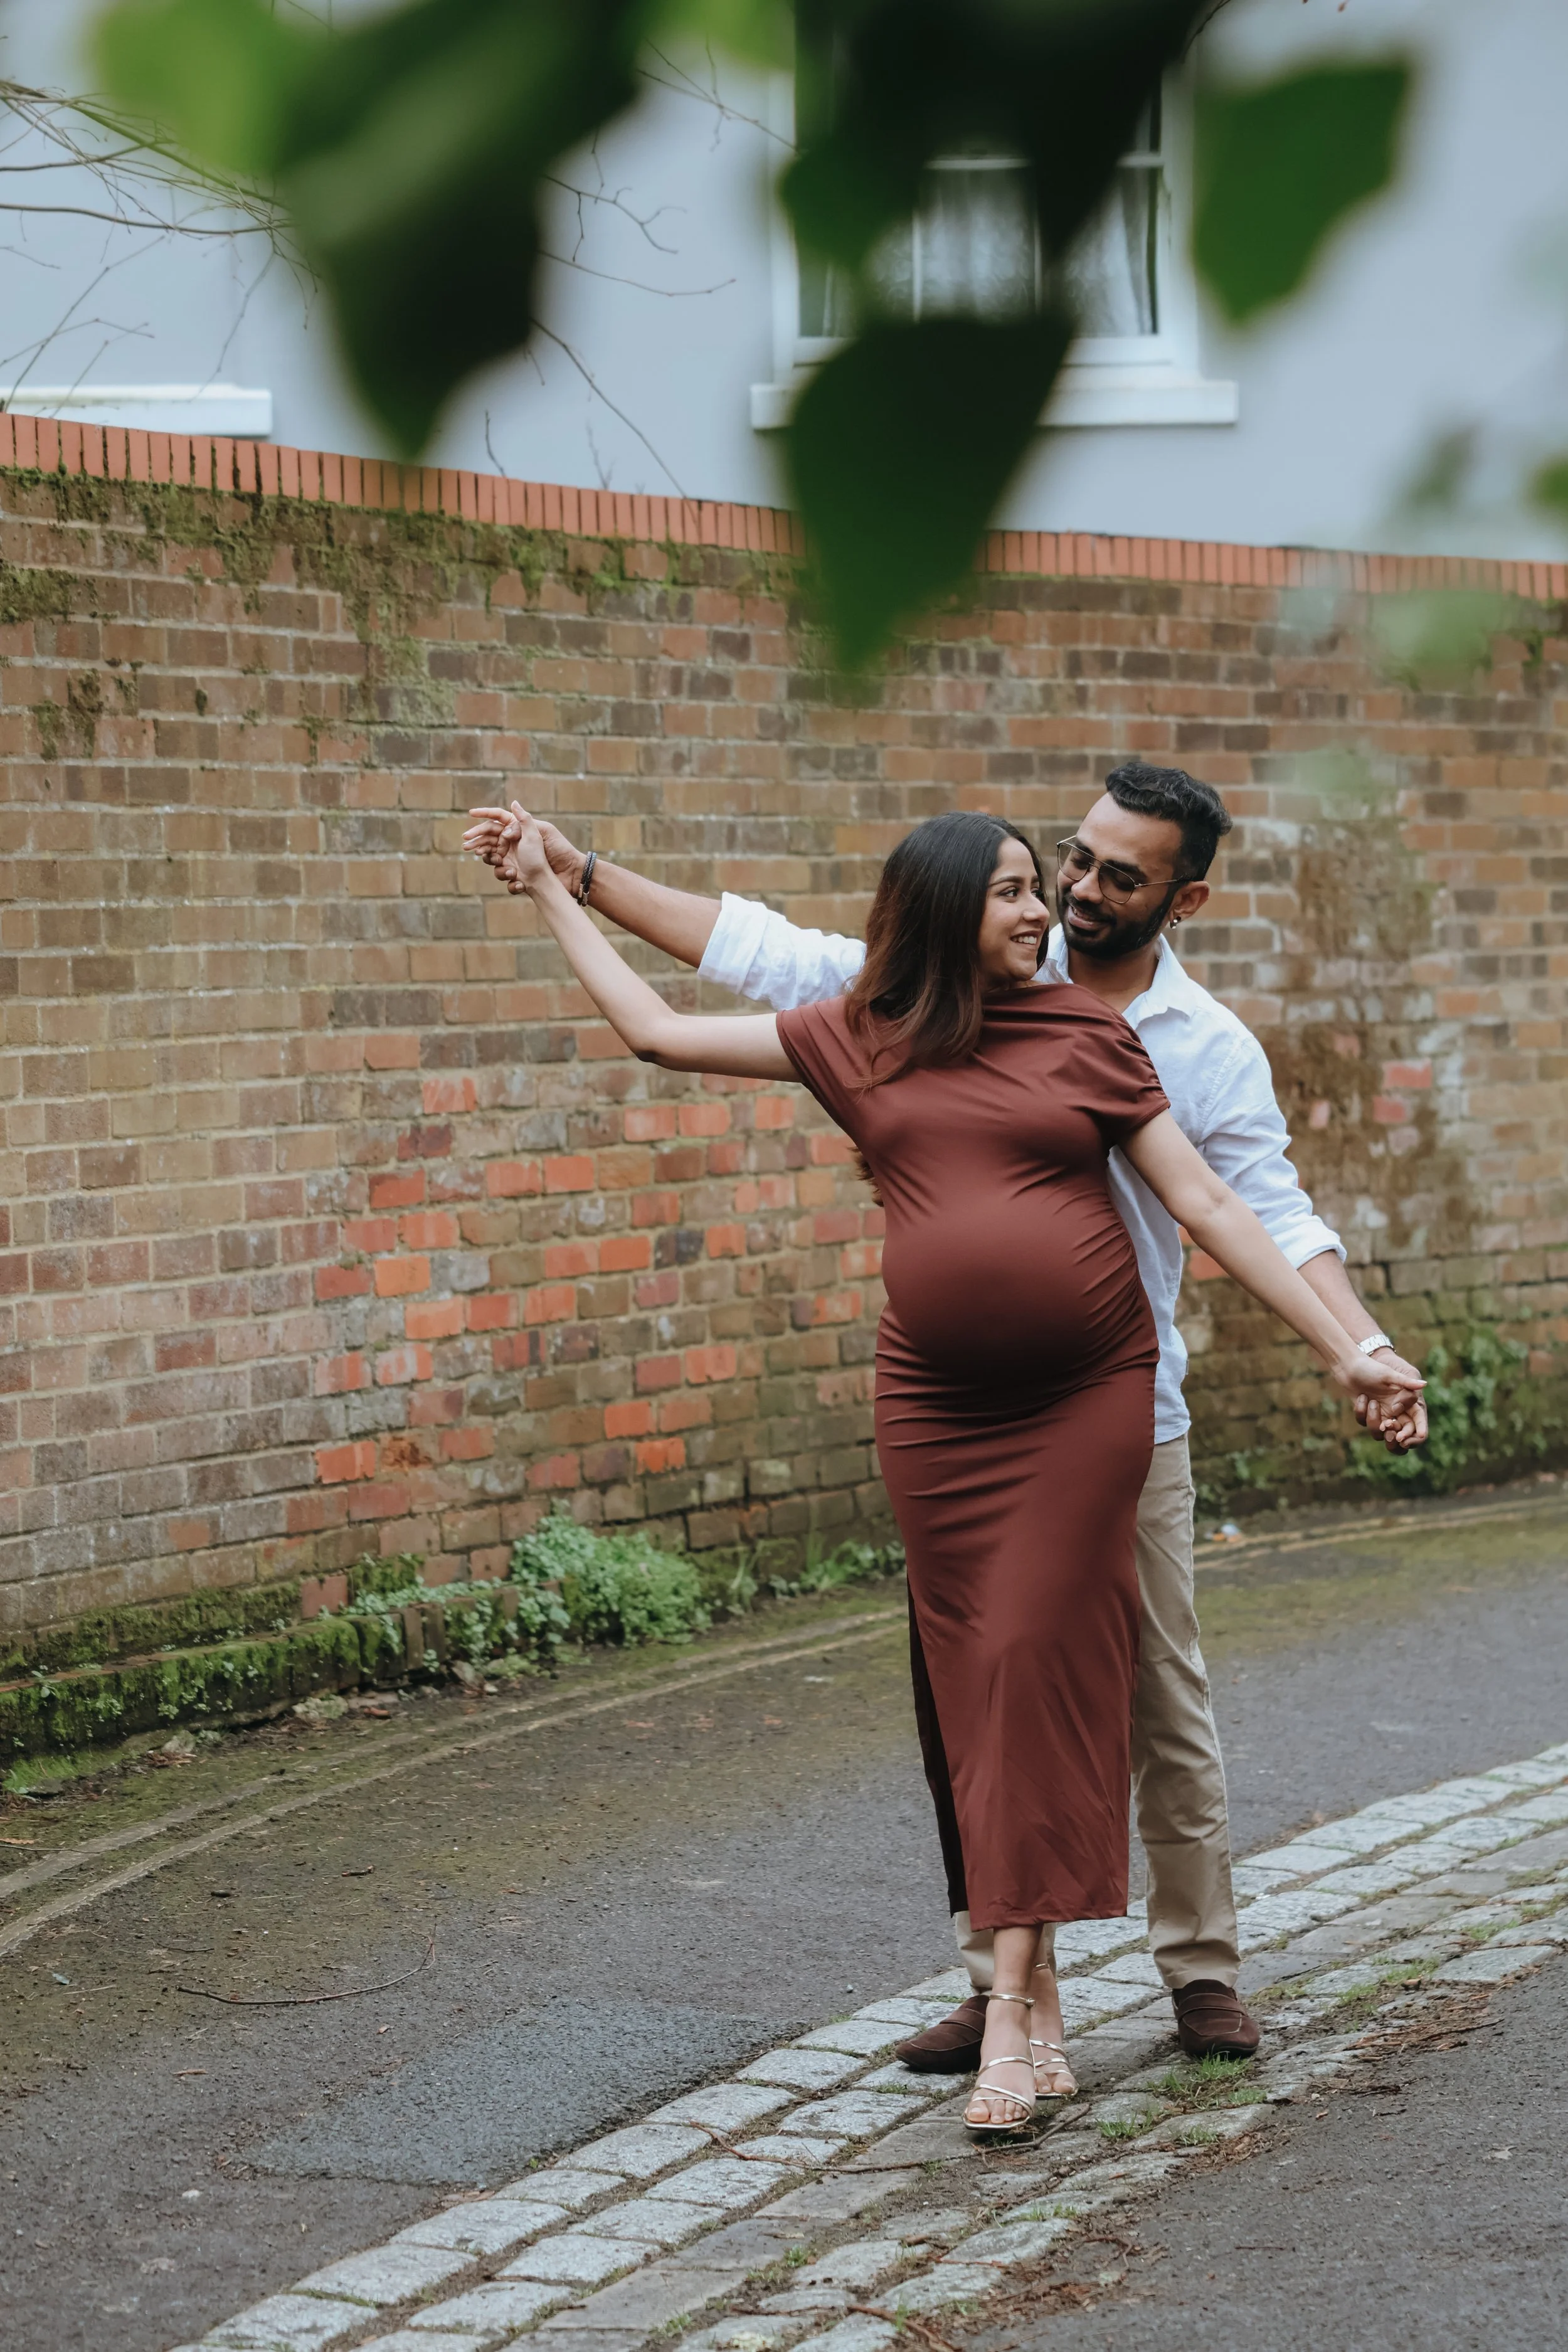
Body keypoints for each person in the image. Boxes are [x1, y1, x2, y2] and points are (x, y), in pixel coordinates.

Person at [465, 802, 1421, 2135]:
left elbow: (1214, 1201)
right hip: (938, 1417)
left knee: (1060, 1680)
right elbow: (663, 1027)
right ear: (942, 918)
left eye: (1061, 885)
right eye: (1021, 891)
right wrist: (555, 887)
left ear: (1174, 899)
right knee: (973, 1695)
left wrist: (1348, 1350)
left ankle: (1084, 2001)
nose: (1049, 910)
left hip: (1095, 1407)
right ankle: (1016, 2005)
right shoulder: (863, 1033)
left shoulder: (1097, 1033)